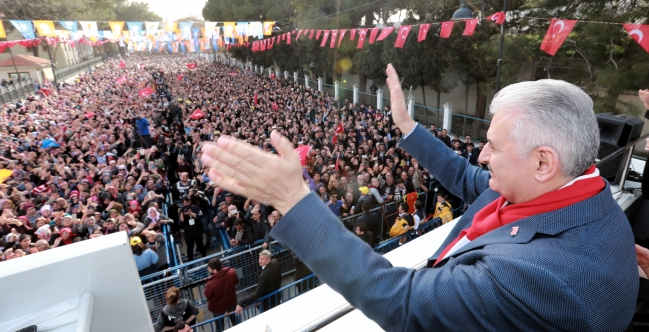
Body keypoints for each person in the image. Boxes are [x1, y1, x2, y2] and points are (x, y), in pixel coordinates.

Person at [202, 64, 637, 331]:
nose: (481, 154)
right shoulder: (577, 190)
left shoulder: (547, 277)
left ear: (543, 162)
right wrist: (407, 126)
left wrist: (295, 201)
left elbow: (403, 302)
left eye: (493, 146)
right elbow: (471, 181)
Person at [204, 258, 239, 331]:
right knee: (237, 323)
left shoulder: (211, 284)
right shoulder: (231, 272)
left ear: (215, 270)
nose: (208, 270)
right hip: (231, 302)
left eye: (209, 269)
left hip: (218, 308)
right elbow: (236, 281)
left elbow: (207, 295)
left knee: (219, 327)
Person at [178, 196, 206, 262]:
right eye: (185, 203)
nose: (187, 204)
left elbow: (200, 216)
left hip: (197, 230)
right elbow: (180, 222)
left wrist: (190, 213)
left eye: (188, 202)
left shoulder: (195, 207)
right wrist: (182, 212)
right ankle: (190, 261)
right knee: (190, 247)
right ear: (182, 203)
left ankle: (205, 257)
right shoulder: (181, 210)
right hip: (188, 232)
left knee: (200, 245)